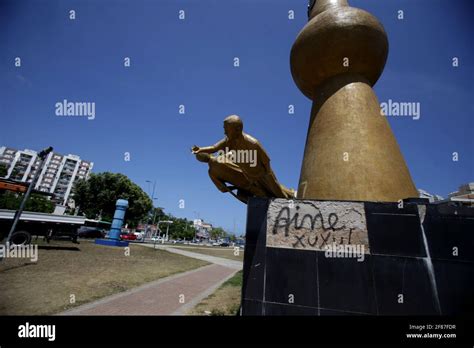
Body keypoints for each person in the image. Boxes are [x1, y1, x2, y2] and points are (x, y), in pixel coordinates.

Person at [192, 115, 294, 203]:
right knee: (271, 193)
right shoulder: (227, 145)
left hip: (261, 174)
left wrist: (268, 175)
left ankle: (291, 200)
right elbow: (215, 148)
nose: (224, 132)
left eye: (226, 129)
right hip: (250, 177)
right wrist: (200, 149)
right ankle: (287, 202)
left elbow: (266, 160)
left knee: (276, 192)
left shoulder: (252, 143)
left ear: (237, 129)